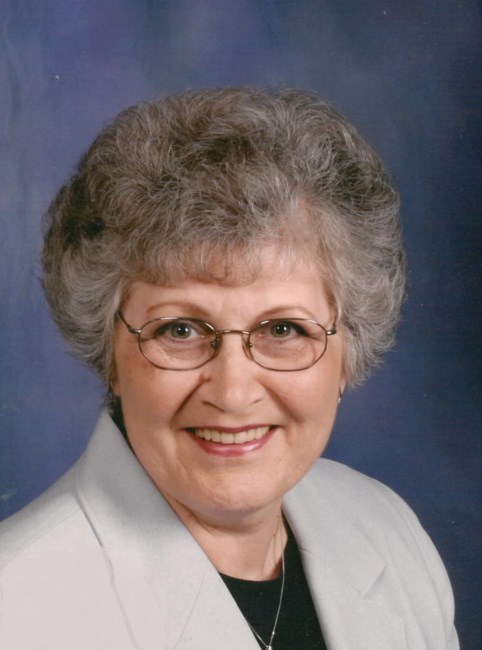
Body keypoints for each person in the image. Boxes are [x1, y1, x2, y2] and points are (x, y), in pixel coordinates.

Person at [0, 88, 458, 649]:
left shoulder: (387, 530)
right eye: (180, 331)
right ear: (110, 354)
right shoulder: (17, 608)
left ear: (349, 351)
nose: (233, 392)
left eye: (283, 330)